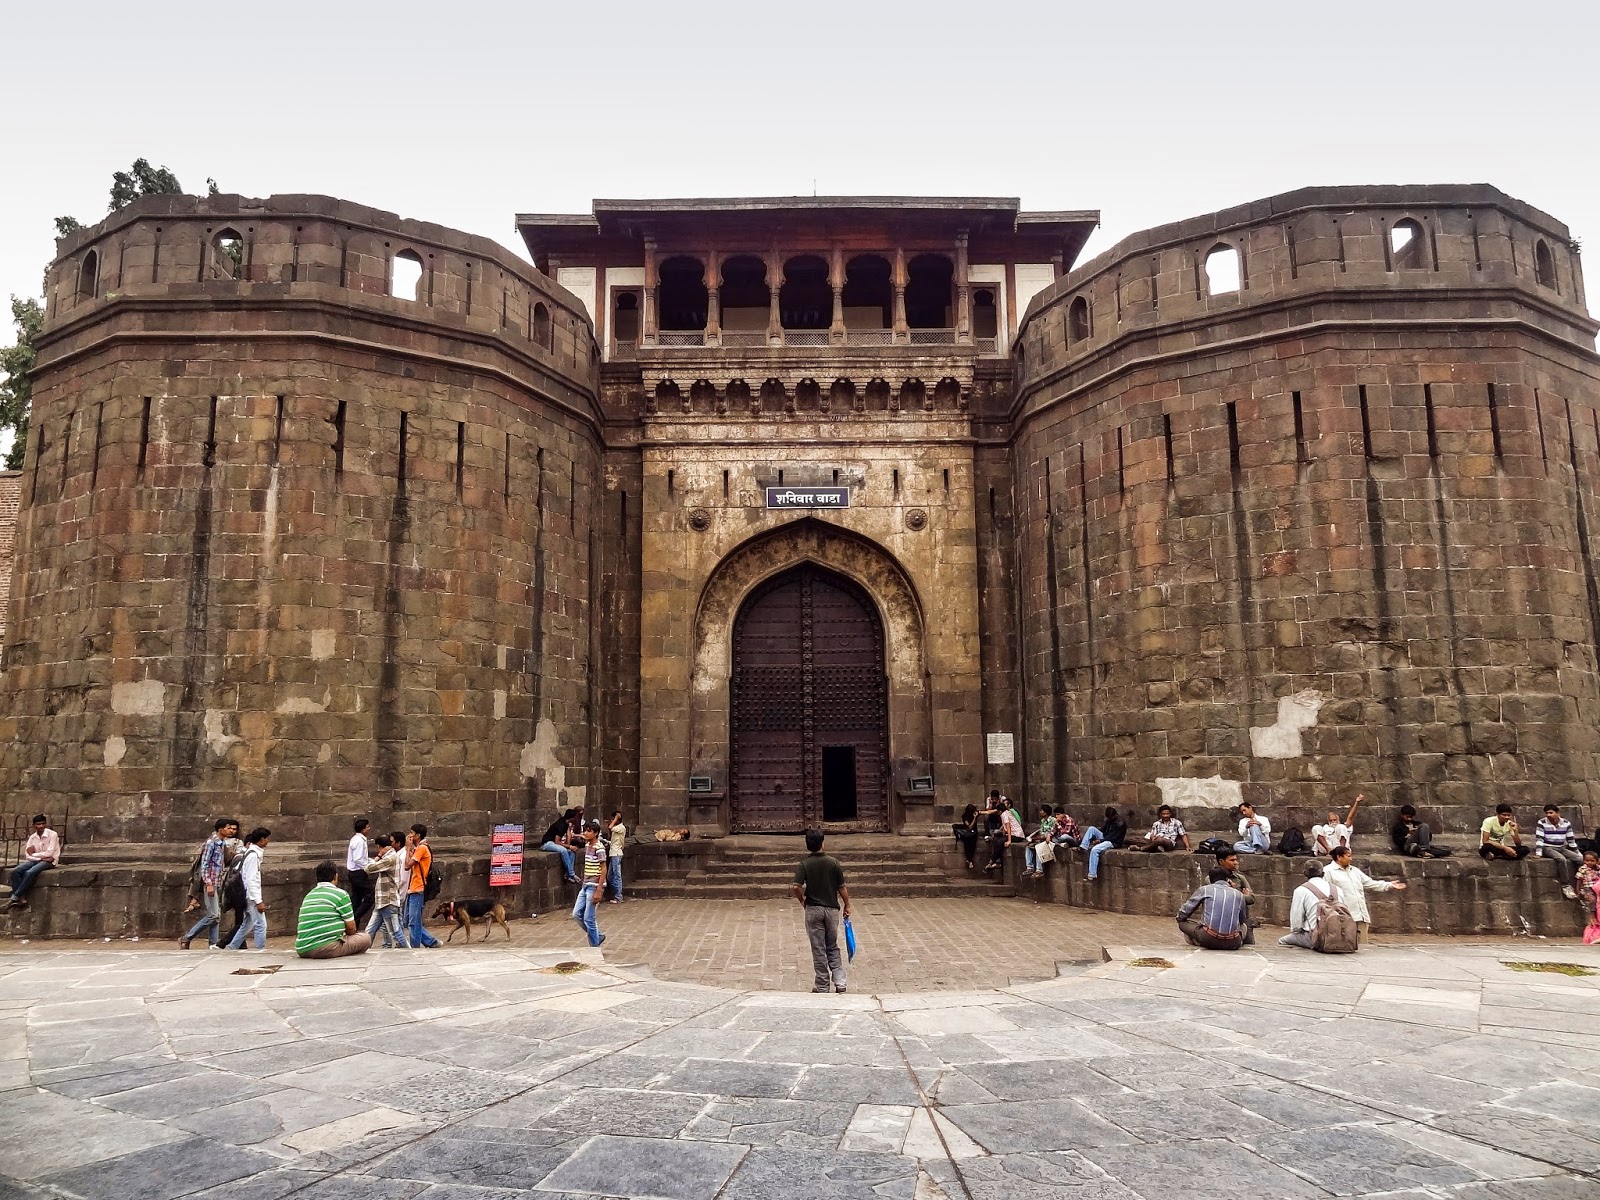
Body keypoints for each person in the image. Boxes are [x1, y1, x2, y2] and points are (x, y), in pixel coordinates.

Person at [792, 828, 851, 993]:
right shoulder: (833, 862)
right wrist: (847, 904)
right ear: (822, 843)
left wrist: (802, 900)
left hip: (813, 909)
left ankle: (822, 984)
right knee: (832, 945)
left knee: (818, 947)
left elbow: (796, 887)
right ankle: (840, 982)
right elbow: (842, 887)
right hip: (831, 910)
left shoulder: (804, 864)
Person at [1323, 845, 1407, 943]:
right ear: (1339, 857)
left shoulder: (1354, 871)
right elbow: (1325, 893)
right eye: (1348, 856)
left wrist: (1389, 885)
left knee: (1363, 946)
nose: (1351, 859)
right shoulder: (1328, 871)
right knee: (1344, 944)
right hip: (1342, 916)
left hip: (1360, 914)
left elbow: (1370, 883)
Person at [180, 818, 237, 949]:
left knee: (216, 916)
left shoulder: (222, 844)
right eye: (228, 828)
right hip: (210, 882)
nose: (230, 830)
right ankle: (187, 937)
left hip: (218, 882)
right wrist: (208, 883)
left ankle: (213, 943)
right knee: (213, 915)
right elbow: (204, 865)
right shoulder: (211, 843)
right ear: (221, 829)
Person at [295, 862, 372, 959]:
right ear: (335, 877)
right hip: (325, 948)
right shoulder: (340, 894)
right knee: (366, 939)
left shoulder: (309, 895)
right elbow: (351, 928)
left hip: (302, 948)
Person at [1176, 867, 1247, 950]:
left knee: (1182, 923)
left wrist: (1180, 918)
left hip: (1208, 938)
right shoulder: (1239, 894)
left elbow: (1185, 911)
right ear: (1228, 879)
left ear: (1210, 879)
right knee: (1244, 926)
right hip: (1233, 942)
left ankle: (1199, 941)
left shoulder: (1204, 890)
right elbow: (1242, 920)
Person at [224, 827, 272, 951]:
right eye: (267, 839)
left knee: (247, 924)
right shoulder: (253, 856)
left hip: (249, 894)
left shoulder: (251, 853)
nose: (268, 841)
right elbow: (251, 879)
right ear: (262, 840)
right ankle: (260, 949)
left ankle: (232, 946)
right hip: (251, 895)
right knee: (261, 924)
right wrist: (258, 900)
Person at [5, 815, 61, 909]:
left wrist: (34, 854)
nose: (41, 826)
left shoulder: (53, 835)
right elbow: (28, 855)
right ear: (34, 826)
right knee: (15, 871)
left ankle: (15, 897)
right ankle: (21, 898)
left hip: (50, 861)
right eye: (38, 824)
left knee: (29, 872)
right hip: (39, 860)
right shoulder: (32, 837)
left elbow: (50, 852)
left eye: (43, 823)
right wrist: (40, 857)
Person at [363, 833, 408, 948]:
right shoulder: (391, 857)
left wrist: (379, 855)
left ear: (379, 846)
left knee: (395, 932)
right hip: (382, 901)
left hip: (388, 900)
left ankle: (409, 952)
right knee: (370, 929)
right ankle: (363, 948)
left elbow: (369, 868)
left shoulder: (390, 858)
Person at [403, 825, 441, 949]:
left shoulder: (422, 849)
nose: (409, 835)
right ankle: (431, 941)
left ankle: (415, 947)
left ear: (418, 835)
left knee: (413, 921)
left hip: (418, 888)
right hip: (413, 887)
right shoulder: (419, 848)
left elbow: (407, 865)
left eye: (412, 833)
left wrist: (408, 848)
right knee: (408, 920)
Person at [570, 819, 606, 948]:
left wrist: (599, 890)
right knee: (576, 914)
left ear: (595, 833)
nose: (586, 833)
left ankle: (594, 946)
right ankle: (598, 935)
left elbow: (603, 869)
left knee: (588, 918)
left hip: (594, 886)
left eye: (589, 831)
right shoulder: (587, 845)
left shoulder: (599, 848)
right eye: (585, 830)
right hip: (586, 884)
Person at [1536, 804, 1583, 899]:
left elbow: (1571, 840)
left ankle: (1582, 882)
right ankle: (1566, 886)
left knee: (1579, 859)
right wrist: (1538, 853)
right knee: (1561, 859)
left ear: (1557, 813)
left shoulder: (1566, 823)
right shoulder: (1542, 822)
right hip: (1548, 847)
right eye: (1547, 813)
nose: (1549, 815)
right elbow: (1539, 838)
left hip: (1561, 847)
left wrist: (1578, 853)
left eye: (1551, 813)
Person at [1279, 861, 1330, 949]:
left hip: (1315, 936)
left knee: (1282, 940)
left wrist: (1297, 931)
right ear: (1323, 873)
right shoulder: (1336, 889)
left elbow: (1296, 924)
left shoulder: (1301, 890)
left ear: (1304, 873)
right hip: (1338, 933)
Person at [1215, 848, 1258, 944]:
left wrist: (1232, 893)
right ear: (1221, 861)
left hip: (1241, 921)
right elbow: (1220, 898)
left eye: (1236, 859)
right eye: (1232, 860)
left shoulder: (1240, 878)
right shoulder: (1212, 878)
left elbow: (1251, 898)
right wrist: (1240, 894)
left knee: (1249, 947)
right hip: (1221, 921)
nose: (1236, 862)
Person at [1079, 807, 1127, 881]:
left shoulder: (1121, 824)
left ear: (1114, 815)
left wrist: (1100, 841)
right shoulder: (1109, 820)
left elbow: (1113, 838)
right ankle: (1083, 846)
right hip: (1105, 837)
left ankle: (1092, 874)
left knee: (1094, 850)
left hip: (1113, 842)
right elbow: (1102, 830)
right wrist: (1095, 837)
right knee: (1091, 829)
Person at [346, 818, 375, 930]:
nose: (369, 829)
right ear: (363, 829)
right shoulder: (359, 841)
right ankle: (353, 920)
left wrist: (371, 861)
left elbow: (361, 857)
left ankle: (354, 926)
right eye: (367, 827)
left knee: (357, 900)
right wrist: (368, 867)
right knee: (369, 896)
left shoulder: (357, 839)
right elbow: (358, 859)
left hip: (355, 873)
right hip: (358, 873)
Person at [985, 797, 1024, 873]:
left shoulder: (1004, 814)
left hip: (1017, 835)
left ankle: (993, 860)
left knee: (1000, 841)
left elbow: (1008, 826)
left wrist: (1009, 840)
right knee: (996, 838)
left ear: (1000, 811)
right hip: (1013, 834)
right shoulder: (1006, 813)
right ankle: (997, 860)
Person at [540, 809, 578, 883]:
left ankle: (567, 875)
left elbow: (568, 836)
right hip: (547, 843)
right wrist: (569, 846)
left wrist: (570, 846)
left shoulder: (566, 823)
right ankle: (572, 874)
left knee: (571, 852)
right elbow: (557, 842)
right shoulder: (561, 825)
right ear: (572, 818)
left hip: (553, 843)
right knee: (563, 850)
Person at [1022, 805, 1058, 877]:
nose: (1040, 812)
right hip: (1042, 839)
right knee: (1028, 847)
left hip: (1050, 840)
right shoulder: (1043, 821)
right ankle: (1030, 867)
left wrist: (1045, 836)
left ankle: (1039, 870)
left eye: (1041, 811)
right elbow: (1041, 832)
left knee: (1039, 848)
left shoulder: (1053, 820)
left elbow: (1053, 831)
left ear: (1046, 812)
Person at [1576, 850, 1600, 945]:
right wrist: (1578, 891)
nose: (1589, 863)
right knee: (1592, 901)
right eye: (1587, 861)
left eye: (1592, 861)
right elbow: (1579, 880)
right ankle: (1593, 913)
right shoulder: (1583, 869)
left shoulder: (1598, 869)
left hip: (1597, 888)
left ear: (1597, 861)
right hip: (1588, 888)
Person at [606, 809, 627, 903]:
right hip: (613, 852)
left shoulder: (621, 827)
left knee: (617, 875)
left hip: (616, 853)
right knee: (610, 876)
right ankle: (617, 894)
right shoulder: (618, 828)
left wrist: (616, 818)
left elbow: (610, 827)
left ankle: (619, 896)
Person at [952, 804, 981, 870]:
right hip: (968, 833)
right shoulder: (965, 817)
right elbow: (970, 827)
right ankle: (969, 860)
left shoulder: (974, 814)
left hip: (974, 833)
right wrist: (974, 818)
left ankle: (969, 860)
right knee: (967, 845)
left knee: (973, 846)